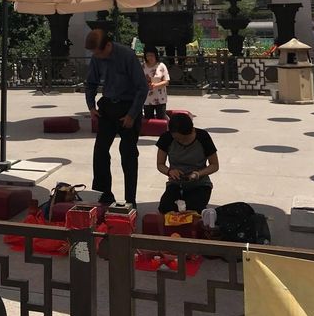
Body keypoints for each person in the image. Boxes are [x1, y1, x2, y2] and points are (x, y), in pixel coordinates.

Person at [85, 29, 148, 208]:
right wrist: (91, 106)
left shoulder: (127, 56)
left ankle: (130, 200)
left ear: (109, 45)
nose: (97, 57)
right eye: (94, 54)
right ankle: (103, 195)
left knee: (128, 154)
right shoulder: (97, 58)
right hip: (107, 106)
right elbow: (91, 83)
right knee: (100, 152)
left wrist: (132, 115)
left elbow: (142, 88)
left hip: (128, 107)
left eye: (99, 53)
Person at [156, 113, 219, 214]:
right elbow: (160, 164)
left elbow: (214, 165)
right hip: (176, 183)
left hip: (199, 184)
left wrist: (198, 174)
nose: (182, 142)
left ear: (192, 130)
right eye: (177, 139)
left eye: (185, 138)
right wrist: (170, 171)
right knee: (166, 208)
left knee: (192, 209)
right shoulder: (166, 138)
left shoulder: (203, 137)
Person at [142, 48, 170, 119]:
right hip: (147, 98)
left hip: (160, 98)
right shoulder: (143, 66)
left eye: (151, 55)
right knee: (148, 119)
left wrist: (155, 85)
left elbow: (166, 81)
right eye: (147, 55)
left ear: (155, 55)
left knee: (161, 118)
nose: (149, 57)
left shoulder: (161, 66)